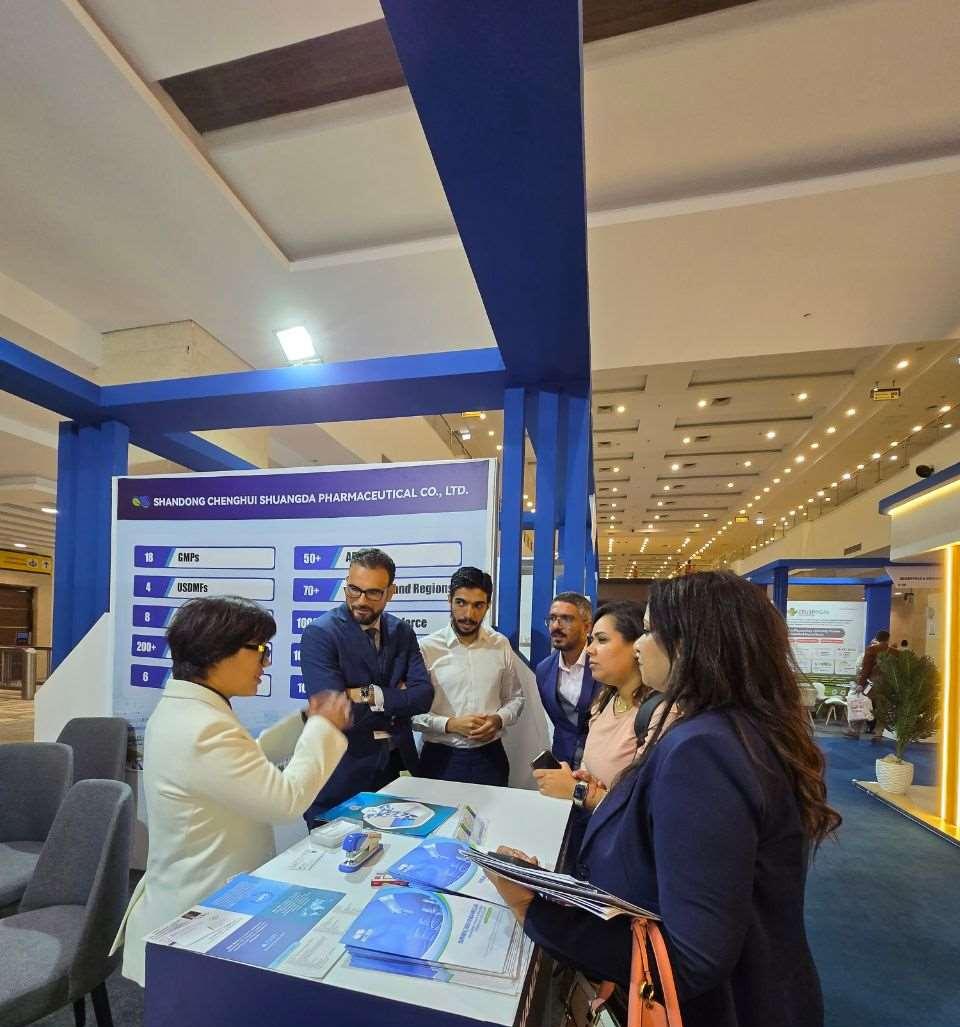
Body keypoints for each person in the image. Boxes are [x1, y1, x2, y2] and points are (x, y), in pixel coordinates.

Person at [491, 572, 840, 1027]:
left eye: (650, 631)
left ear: (693, 644)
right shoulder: (736, 731)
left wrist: (531, 909)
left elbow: (691, 957)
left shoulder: (705, 748)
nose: (639, 645)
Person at [114, 596, 352, 986]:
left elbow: (242, 763)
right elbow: (285, 801)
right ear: (218, 652)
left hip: (202, 900)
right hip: (199, 915)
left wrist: (304, 722)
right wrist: (324, 727)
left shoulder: (188, 710)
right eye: (260, 650)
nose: (266, 663)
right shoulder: (203, 727)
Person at [300, 548, 434, 822]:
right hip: (343, 775)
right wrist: (398, 700)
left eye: (373, 593)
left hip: (397, 772)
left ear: (390, 592)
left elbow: (423, 696)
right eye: (353, 590)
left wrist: (369, 694)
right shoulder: (321, 633)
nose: (361, 600)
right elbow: (335, 710)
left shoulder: (402, 632)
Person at [533, 601, 648, 813]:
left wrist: (578, 791)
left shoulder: (660, 714)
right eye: (552, 618)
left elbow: (644, 807)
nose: (590, 649)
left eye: (602, 640)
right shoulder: (606, 700)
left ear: (637, 646)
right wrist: (585, 781)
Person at [415, 567, 524, 786]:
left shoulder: (500, 644)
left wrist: (497, 720)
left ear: (488, 605)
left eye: (478, 605)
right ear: (449, 600)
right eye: (461, 603)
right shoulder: (426, 648)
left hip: (490, 758)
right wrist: (450, 724)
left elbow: (515, 698)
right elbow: (410, 714)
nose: (468, 614)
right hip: (439, 759)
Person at [534, 592, 595, 768]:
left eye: (566, 619)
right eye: (552, 618)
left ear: (587, 626)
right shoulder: (543, 670)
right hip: (562, 761)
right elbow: (559, 721)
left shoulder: (604, 663)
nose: (556, 626)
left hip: (600, 763)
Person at [845, 629, 890, 740]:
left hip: (871, 685)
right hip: (887, 685)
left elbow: (866, 669)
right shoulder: (893, 651)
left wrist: (860, 684)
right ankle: (878, 734)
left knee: (861, 704)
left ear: (877, 638)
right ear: (888, 639)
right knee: (882, 709)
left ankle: (856, 731)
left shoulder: (871, 649)